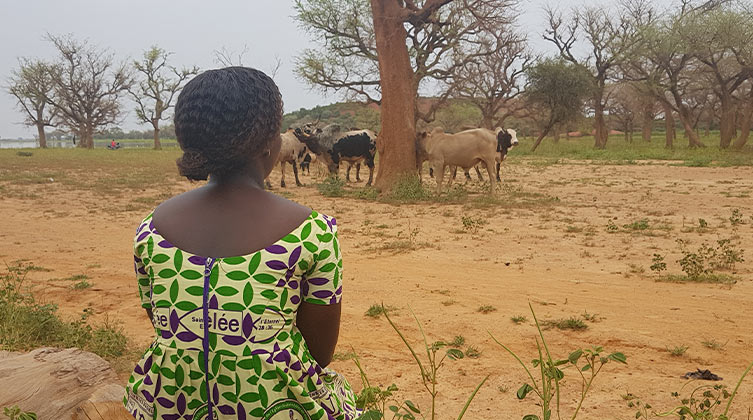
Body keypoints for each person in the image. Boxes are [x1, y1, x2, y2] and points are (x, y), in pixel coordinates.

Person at [124, 67, 360, 420]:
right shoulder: (312, 232)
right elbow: (319, 354)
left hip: (166, 403)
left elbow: (168, 328)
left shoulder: (151, 229)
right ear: (268, 143)